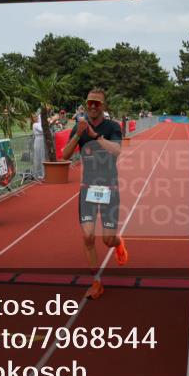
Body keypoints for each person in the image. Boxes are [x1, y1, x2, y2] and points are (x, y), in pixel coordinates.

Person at [62, 88, 127, 299]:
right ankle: (97, 282)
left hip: (109, 188)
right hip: (88, 189)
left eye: (97, 103)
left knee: (107, 240)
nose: (92, 106)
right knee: (88, 236)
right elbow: (65, 155)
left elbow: (117, 151)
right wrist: (79, 135)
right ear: (86, 104)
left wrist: (95, 136)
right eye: (90, 102)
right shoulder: (79, 127)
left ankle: (118, 243)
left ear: (103, 106)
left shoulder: (112, 127)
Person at [30, 112, 46, 181]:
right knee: (38, 157)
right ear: (32, 119)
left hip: (41, 140)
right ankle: (37, 174)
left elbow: (41, 117)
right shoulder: (35, 124)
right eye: (34, 117)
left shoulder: (38, 123)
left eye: (36, 117)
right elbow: (42, 130)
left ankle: (42, 174)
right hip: (38, 141)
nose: (36, 118)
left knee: (42, 157)